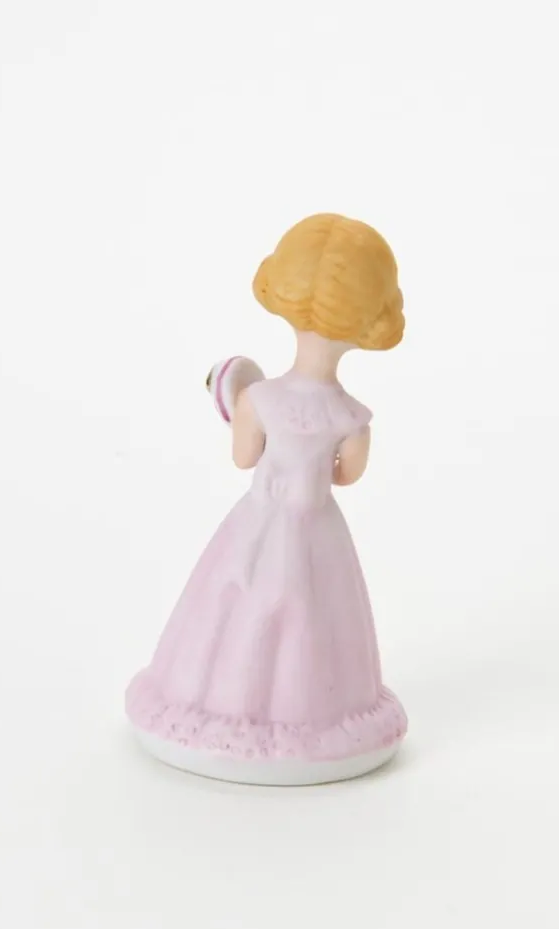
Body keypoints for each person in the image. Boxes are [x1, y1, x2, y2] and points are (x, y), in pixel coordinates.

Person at [126, 213, 408, 785]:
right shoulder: (352, 419)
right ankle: (315, 716)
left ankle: (218, 706)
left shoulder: (258, 400)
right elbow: (346, 476)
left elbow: (244, 458)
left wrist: (235, 400)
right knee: (317, 616)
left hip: (257, 527)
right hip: (317, 533)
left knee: (236, 606)